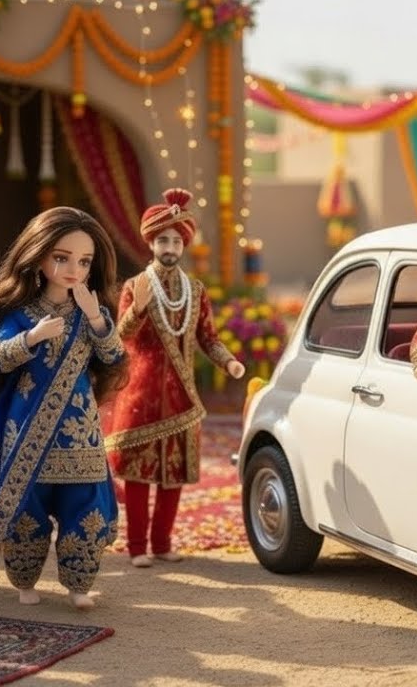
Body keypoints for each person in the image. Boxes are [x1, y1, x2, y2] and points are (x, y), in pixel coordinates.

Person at [0, 206, 125, 609]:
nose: (73, 268)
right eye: (62, 257)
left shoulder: (93, 315)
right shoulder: (22, 315)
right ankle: (25, 581)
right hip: (26, 432)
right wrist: (32, 338)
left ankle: (78, 584)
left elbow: (112, 358)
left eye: (84, 261)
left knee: (85, 506)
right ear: (39, 258)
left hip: (79, 432)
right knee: (27, 509)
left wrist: (95, 317)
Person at [103, 188, 245, 568]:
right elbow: (119, 338)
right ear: (151, 242)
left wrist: (228, 362)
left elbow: (208, 338)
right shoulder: (135, 287)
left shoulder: (195, 291)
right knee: (137, 474)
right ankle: (136, 547)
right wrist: (141, 308)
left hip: (182, 399)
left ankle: (162, 543)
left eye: (175, 240)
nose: (169, 246)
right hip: (141, 395)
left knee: (173, 474)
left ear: (183, 245)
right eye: (162, 239)